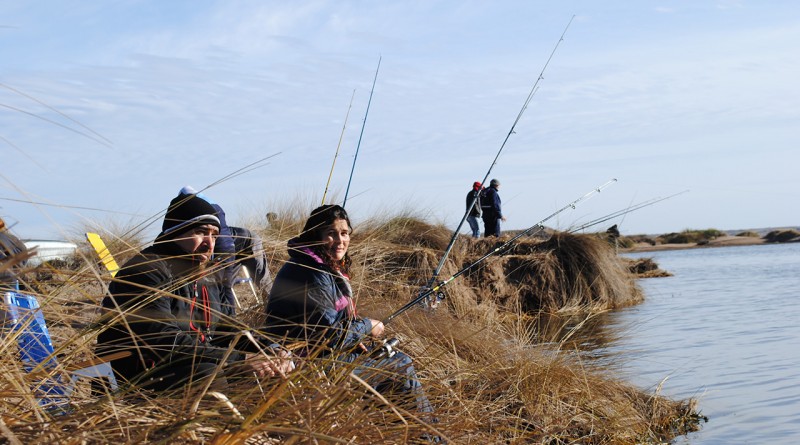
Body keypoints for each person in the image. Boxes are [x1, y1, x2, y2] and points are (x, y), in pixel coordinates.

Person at [95, 190, 293, 392]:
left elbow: (225, 328)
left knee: (272, 368)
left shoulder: (206, 275)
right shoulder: (146, 270)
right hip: (135, 373)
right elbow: (163, 341)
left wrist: (268, 348)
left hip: (187, 364)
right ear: (174, 233)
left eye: (214, 235)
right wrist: (240, 359)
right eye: (200, 232)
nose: (209, 243)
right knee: (207, 375)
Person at [265, 205, 435, 417]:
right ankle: (427, 432)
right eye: (331, 233)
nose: (340, 240)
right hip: (306, 365)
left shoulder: (319, 265)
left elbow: (328, 324)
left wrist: (355, 339)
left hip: (317, 356)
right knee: (400, 364)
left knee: (388, 364)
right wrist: (367, 326)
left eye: (344, 233)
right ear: (316, 236)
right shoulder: (312, 272)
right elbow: (329, 338)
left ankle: (399, 428)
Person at [173, 186, 272, 308]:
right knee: (218, 287)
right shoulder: (193, 210)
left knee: (224, 285)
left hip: (243, 245)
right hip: (230, 245)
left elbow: (225, 246)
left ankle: (274, 306)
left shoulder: (208, 209)